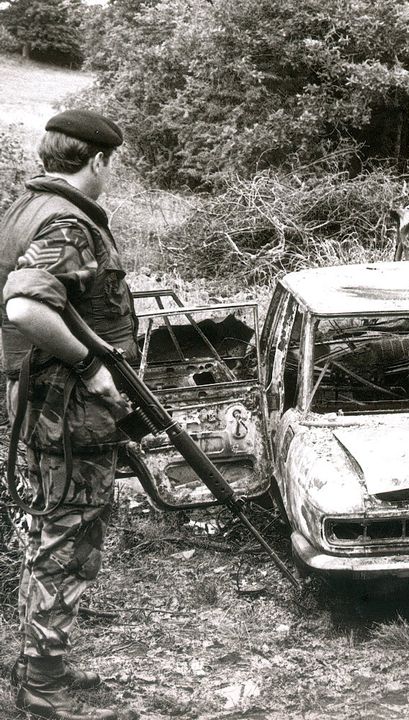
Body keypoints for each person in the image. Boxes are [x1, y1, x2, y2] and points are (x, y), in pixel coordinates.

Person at [0, 109, 137, 720]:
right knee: (67, 541)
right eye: (113, 163)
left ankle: (39, 663)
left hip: (39, 402)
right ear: (98, 160)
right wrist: (91, 366)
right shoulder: (67, 221)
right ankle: (41, 688)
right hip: (68, 408)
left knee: (51, 531)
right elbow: (26, 308)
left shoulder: (22, 207)